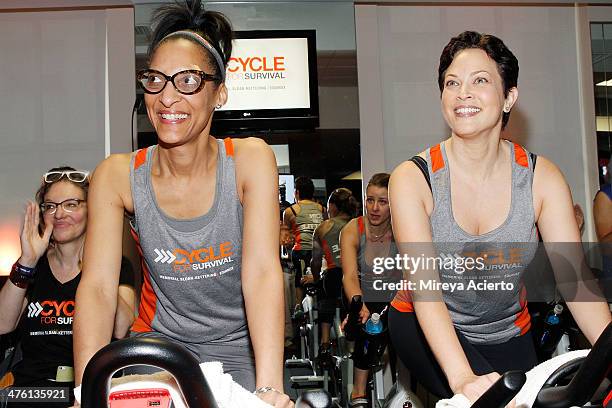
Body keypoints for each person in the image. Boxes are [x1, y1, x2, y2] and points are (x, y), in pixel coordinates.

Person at [72, 1, 290, 407]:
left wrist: (270, 386)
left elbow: (261, 273)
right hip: (158, 346)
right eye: (156, 80)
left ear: (219, 92)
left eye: (188, 80)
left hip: (237, 348)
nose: (167, 97)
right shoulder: (117, 175)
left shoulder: (250, 160)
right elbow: (99, 287)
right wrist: (87, 391)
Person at [388, 31, 612, 404]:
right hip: (423, 323)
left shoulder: (541, 177)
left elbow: (575, 283)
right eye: (451, 83)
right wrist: (462, 378)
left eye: (480, 80)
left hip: (506, 330)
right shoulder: (413, 178)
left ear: (509, 96)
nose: (463, 93)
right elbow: (426, 290)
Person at [0, 167, 135, 407]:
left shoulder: (115, 266)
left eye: (71, 204)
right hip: (31, 394)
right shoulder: (33, 268)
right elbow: (3, 324)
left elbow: (121, 328)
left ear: (91, 209)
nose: (59, 213)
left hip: (87, 392)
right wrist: (27, 262)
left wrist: (95, 265)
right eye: (50, 206)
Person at [340, 174, 394, 408]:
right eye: (370, 200)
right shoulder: (353, 229)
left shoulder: (403, 229)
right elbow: (349, 276)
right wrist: (357, 303)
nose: (374, 208)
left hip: (395, 295)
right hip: (361, 294)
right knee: (368, 326)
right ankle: (358, 391)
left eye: (382, 202)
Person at [302, 188, 358, 349]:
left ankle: (325, 342)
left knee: (323, 290)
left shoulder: (323, 227)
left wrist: (316, 278)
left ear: (333, 206)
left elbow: (316, 262)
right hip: (357, 278)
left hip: (334, 277)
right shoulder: (358, 224)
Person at [283, 176, 325, 315]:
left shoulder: (290, 211)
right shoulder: (322, 209)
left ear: (297, 192)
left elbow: (287, 236)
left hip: (300, 251)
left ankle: (298, 306)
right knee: (319, 275)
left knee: (299, 277)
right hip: (320, 251)